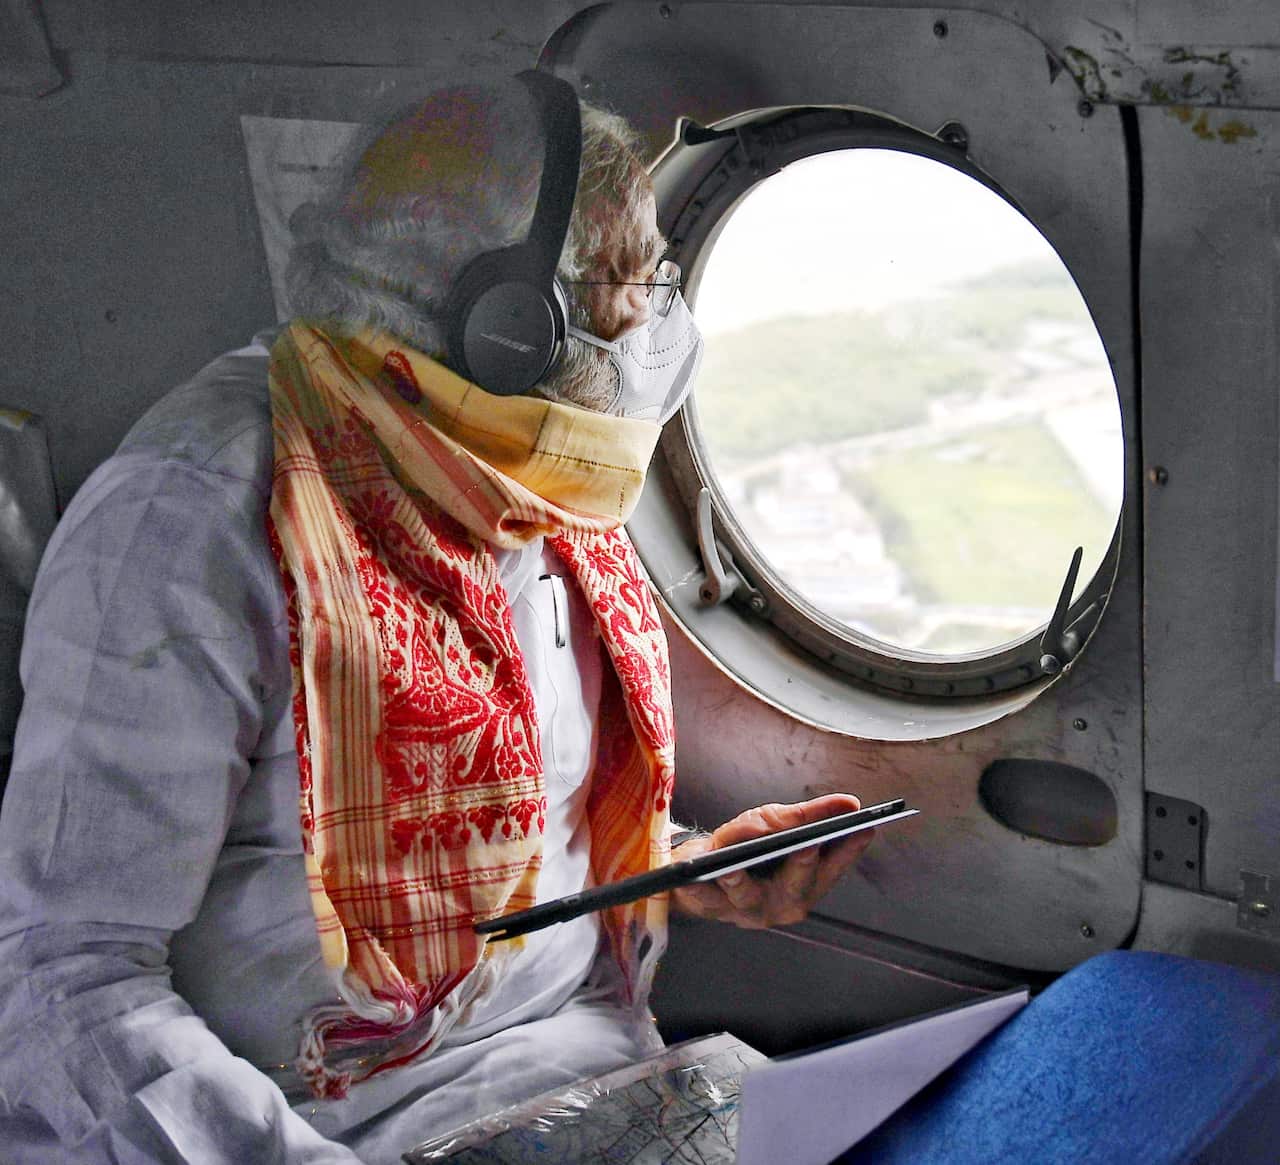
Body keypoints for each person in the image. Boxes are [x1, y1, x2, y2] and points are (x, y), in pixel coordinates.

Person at [0, 74, 873, 1163]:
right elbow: (57, 974)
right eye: (637, 284)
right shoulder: (187, 520)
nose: (660, 323)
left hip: (583, 1066)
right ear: (513, 329)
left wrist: (687, 865)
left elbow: (514, 822)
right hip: (323, 1125)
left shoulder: (532, 475)